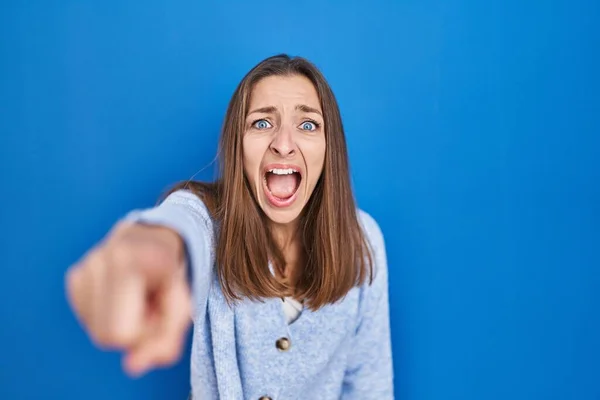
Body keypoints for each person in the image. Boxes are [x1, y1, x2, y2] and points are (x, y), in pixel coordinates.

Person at [65, 54, 393, 399]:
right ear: (238, 145)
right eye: (262, 123)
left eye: (308, 124)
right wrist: (151, 244)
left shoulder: (363, 240)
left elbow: (370, 385)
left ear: (330, 148)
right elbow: (180, 225)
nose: (283, 144)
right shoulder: (208, 224)